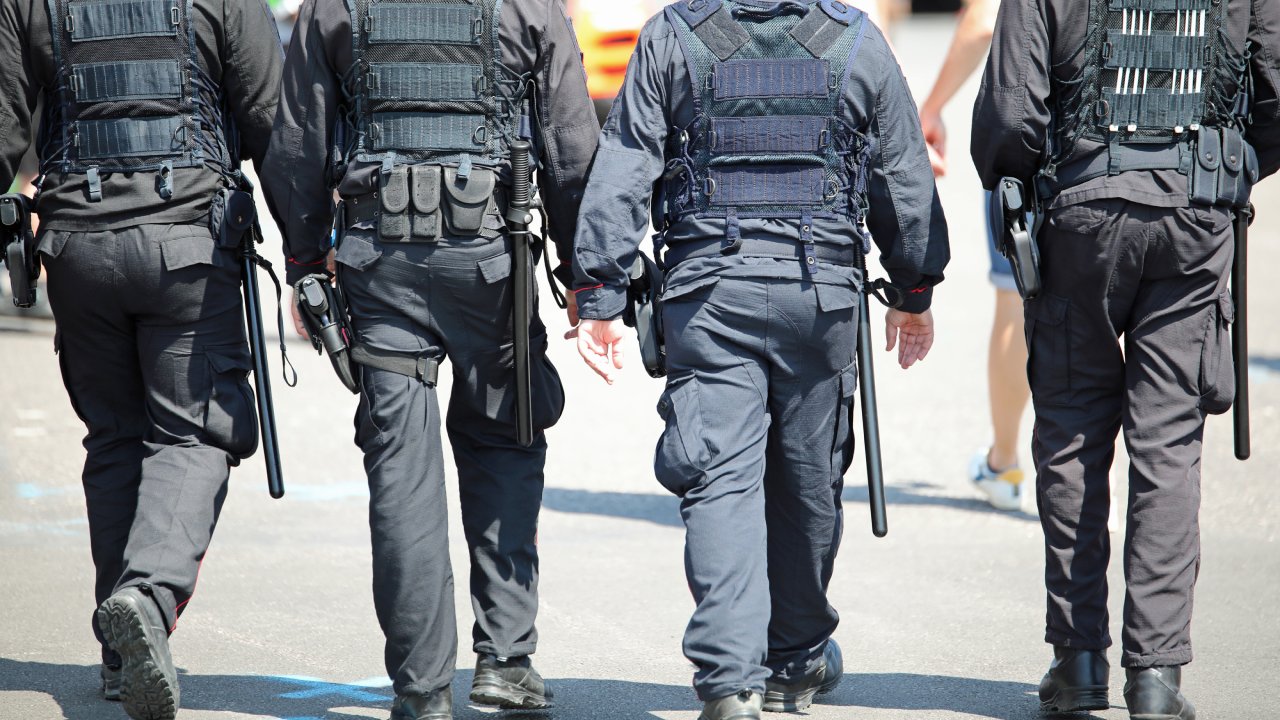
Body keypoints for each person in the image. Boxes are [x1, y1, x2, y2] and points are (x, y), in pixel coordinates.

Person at [570, 1, 949, 718]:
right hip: (821, 294)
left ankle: (728, 682)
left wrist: (599, 291)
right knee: (809, 480)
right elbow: (902, 171)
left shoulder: (673, 36)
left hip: (710, 291)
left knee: (718, 480)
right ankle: (797, 655)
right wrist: (913, 288)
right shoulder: (854, 40)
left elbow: (625, 163)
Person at [260, 0, 598, 716]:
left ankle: (419, 690)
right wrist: (585, 275)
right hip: (488, 264)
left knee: (402, 476)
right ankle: (506, 660)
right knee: (505, 443)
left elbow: (297, 142)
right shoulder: (527, 5)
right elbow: (571, 141)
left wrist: (304, 258)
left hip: (379, 263)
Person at [972, 0, 1279, 716]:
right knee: (1168, 444)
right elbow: (1274, 95)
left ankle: (1079, 664)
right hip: (1196, 213)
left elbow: (1011, 115)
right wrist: (1222, 170)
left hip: (1082, 208)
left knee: (1073, 431)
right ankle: (1157, 677)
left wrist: (1031, 178)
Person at [0, 0, 283, 716]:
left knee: (117, 437)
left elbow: (3, 122)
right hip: (187, 243)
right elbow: (271, 118)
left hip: (75, 249)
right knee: (195, 433)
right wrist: (312, 247)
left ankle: (121, 656)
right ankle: (147, 601)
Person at [915, 0, 1031, 511]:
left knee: (1016, 299)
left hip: (1038, 135)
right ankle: (1113, 479)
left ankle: (1005, 463)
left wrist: (932, 105)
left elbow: (984, 20)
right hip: (1149, 142)